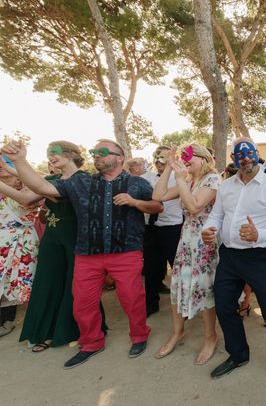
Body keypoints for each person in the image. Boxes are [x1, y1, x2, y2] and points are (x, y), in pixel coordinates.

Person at [2, 139, 163, 368]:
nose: (97, 155)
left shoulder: (137, 183)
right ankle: (92, 342)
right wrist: (19, 160)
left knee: (132, 299)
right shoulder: (81, 182)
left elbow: (157, 206)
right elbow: (41, 188)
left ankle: (139, 336)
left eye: (103, 151)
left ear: (120, 157)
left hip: (125, 251)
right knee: (82, 303)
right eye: (94, 151)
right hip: (87, 254)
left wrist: (135, 202)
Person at [201, 137, 266, 406]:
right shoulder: (226, 187)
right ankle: (238, 354)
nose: (244, 158)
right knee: (223, 306)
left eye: (249, 154)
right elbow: (217, 216)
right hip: (230, 257)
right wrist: (209, 229)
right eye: (239, 155)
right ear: (234, 159)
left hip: (259, 257)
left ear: (257, 155)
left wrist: (259, 235)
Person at [18, 142, 106, 351]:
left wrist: (19, 161)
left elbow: (40, 188)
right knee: (48, 282)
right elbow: (27, 199)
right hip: (52, 237)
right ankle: (45, 332)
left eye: (55, 153)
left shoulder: (84, 179)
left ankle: (71, 330)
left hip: (75, 236)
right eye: (48, 154)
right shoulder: (52, 179)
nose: (50, 157)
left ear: (71, 154)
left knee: (73, 285)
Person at [152, 144, 220, 365]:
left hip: (204, 242)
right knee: (178, 285)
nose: (185, 162)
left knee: (203, 288)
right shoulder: (187, 179)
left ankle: (210, 338)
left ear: (203, 158)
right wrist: (169, 169)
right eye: (182, 159)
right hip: (186, 241)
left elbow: (194, 207)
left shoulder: (212, 180)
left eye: (188, 159)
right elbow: (158, 195)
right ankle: (177, 332)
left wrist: (181, 180)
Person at [141, 146, 183, 317]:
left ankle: (182, 303)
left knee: (177, 266)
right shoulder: (143, 179)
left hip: (172, 228)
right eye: (156, 157)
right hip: (149, 229)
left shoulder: (179, 178)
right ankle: (151, 303)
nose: (159, 161)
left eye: (164, 158)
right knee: (151, 268)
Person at [0, 156, 40, 337]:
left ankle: (10, 320)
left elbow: (26, 203)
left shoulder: (28, 186)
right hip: (2, 240)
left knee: (20, 280)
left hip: (21, 240)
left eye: (5, 164)